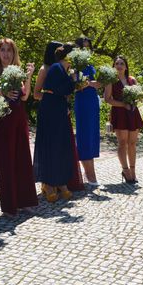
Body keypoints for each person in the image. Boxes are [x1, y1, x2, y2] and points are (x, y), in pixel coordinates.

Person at [0, 38, 37, 217]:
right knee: (6, 161)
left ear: (14, 53)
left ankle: (24, 201)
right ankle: (10, 205)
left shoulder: (16, 71)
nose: (6, 54)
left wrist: (28, 75)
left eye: (9, 50)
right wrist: (1, 93)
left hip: (19, 119)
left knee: (22, 158)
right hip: (2, 121)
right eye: (2, 50)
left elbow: (25, 97)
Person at [33, 41, 84, 193]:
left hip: (60, 109)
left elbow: (65, 91)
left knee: (61, 145)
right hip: (50, 110)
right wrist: (54, 96)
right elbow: (41, 93)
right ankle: (48, 183)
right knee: (50, 145)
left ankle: (60, 180)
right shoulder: (52, 68)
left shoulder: (64, 69)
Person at [104, 55, 143, 184]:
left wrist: (134, 101)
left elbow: (139, 96)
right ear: (114, 66)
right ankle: (125, 170)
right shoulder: (111, 80)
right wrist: (123, 104)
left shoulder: (132, 80)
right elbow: (107, 99)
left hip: (132, 113)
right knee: (123, 143)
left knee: (132, 143)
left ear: (126, 66)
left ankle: (133, 171)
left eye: (122, 63)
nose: (119, 66)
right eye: (117, 64)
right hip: (119, 113)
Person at [73, 36, 101, 186]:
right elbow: (77, 85)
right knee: (84, 135)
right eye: (83, 47)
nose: (86, 50)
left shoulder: (89, 63)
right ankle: (90, 176)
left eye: (88, 47)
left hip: (92, 101)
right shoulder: (75, 64)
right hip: (83, 101)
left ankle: (89, 172)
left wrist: (97, 83)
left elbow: (93, 84)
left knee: (92, 135)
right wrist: (91, 83)